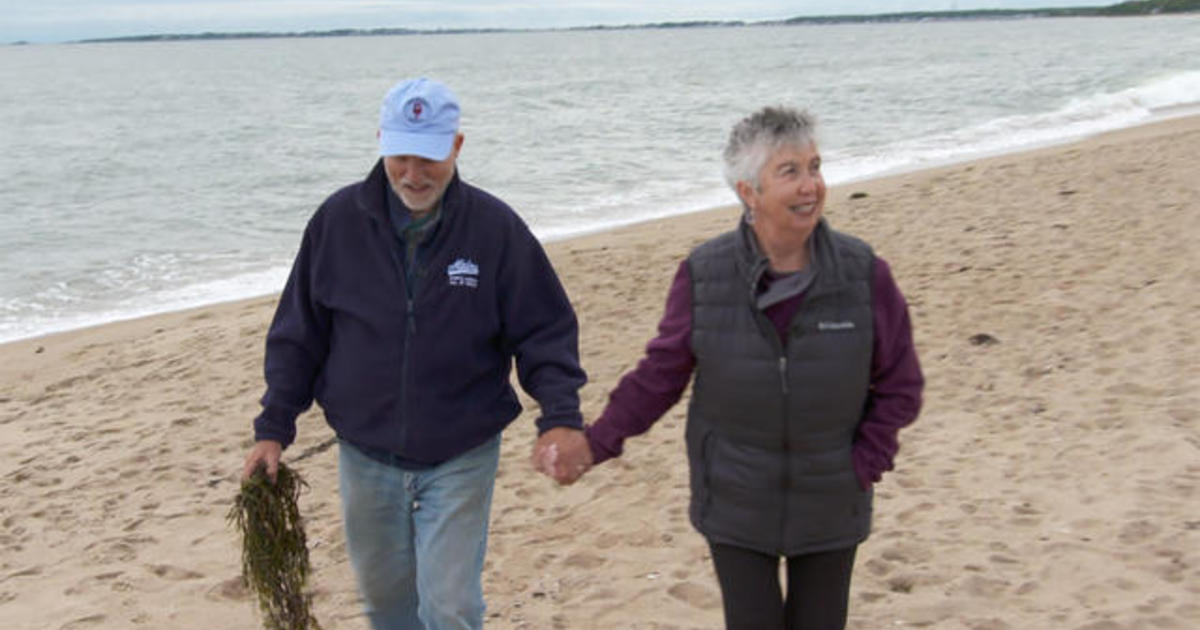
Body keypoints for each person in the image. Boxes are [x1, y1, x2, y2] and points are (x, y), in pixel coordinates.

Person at [535, 106, 923, 630]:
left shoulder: (863, 274)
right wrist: (595, 443)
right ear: (748, 191)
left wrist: (864, 462)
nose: (811, 185)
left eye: (815, 166)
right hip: (735, 498)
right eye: (790, 172)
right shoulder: (704, 274)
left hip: (832, 497)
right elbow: (660, 376)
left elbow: (901, 384)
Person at [241, 77, 589, 630]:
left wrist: (561, 417)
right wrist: (273, 426)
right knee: (387, 606)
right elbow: (298, 333)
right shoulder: (336, 223)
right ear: (381, 141)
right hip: (365, 452)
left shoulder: (495, 229)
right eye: (400, 155)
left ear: (456, 146)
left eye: (428, 157)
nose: (412, 173)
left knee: (451, 607)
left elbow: (544, 330)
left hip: (462, 452)